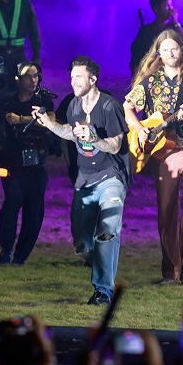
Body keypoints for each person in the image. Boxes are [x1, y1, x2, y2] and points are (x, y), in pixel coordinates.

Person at [34, 56, 129, 305]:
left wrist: (95, 138)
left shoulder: (110, 107)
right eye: (72, 76)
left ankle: (103, 291)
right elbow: (71, 133)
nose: (73, 81)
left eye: (78, 77)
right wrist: (50, 125)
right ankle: (101, 262)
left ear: (93, 79)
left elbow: (116, 145)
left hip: (111, 177)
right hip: (84, 180)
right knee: (82, 243)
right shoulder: (74, 106)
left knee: (107, 233)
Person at [124, 31, 183, 286]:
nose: (171, 53)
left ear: (181, 50)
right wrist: (139, 129)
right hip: (165, 150)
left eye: (174, 48)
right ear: (158, 54)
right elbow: (127, 106)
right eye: (165, 49)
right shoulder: (151, 81)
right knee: (166, 208)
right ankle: (170, 270)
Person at [0, 62, 55, 267]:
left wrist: (20, 119)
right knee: (11, 205)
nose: (33, 80)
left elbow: (49, 121)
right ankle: (6, 249)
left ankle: (21, 255)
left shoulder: (43, 100)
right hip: (12, 162)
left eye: (36, 75)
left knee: (34, 210)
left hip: (35, 164)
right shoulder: (7, 102)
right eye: (28, 76)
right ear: (18, 79)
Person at [130, 0, 183, 77]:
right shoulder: (146, 31)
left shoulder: (177, 28)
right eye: (167, 6)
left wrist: (176, 23)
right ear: (156, 9)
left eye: (171, 5)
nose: (171, 9)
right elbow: (137, 55)